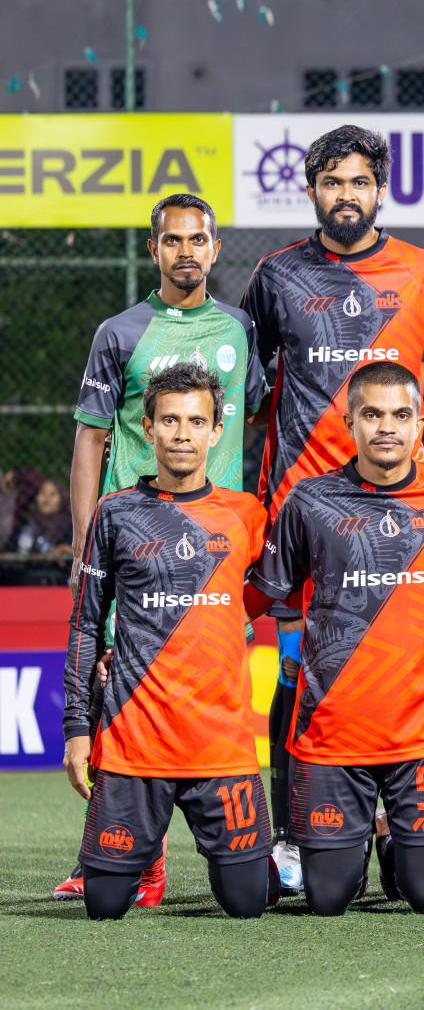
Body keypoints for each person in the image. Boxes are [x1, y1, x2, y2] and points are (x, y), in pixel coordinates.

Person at [240, 125, 424, 895]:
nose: (347, 195)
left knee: (377, 667)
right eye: (332, 182)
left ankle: (387, 823)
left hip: (395, 515)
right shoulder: (275, 277)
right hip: (305, 517)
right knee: (302, 675)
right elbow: (244, 388)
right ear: (311, 191)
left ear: (380, 189)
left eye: (359, 181)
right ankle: (292, 837)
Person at [56, 192, 265, 903]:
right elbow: (89, 437)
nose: (186, 251)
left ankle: (234, 839)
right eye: (172, 240)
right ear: (155, 250)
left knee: (207, 692)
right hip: (136, 542)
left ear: (213, 248)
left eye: (198, 239)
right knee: (117, 688)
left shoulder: (240, 327)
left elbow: (255, 425)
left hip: (216, 545)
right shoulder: (120, 332)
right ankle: (125, 855)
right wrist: (89, 543)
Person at [248, 361, 424, 915]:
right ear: (349, 422)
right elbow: (263, 591)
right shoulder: (309, 501)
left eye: (401, 415)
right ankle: (359, 846)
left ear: (420, 424)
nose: (386, 427)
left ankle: (392, 837)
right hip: (332, 737)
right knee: (328, 899)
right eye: (372, 414)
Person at [63, 363, 272, 920]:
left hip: (222, 746)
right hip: (136, 744)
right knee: (104, 906)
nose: (183, 433)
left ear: (216, 430)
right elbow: (85, 625)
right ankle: (142, 854)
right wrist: (77, 731)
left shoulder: (247, 514)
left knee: (247, 903)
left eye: (196, 421)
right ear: (148, 429)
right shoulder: (115, 513)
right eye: (170, 420)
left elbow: (279, 589)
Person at [14, 478, 71, 555]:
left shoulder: (69, 527)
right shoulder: (26, 523)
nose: (46, 498)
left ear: (62, 498)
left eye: (52, 494)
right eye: (43, 492)